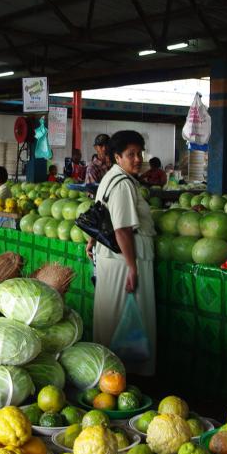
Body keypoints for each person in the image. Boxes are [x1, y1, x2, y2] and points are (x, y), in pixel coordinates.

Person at [86, 130, 158, 376]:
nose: (137, 159)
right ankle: (124, 377)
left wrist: (91, 241)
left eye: (140, 153)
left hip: (111, 257)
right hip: (124, 259)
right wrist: (132, 267)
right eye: (130, 154)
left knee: (111, 317)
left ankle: (108, 374)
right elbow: (123, 229)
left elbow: (98, 212)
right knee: (125, 320)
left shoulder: (110, 177)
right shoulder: (124, 184)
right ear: (117, 157)